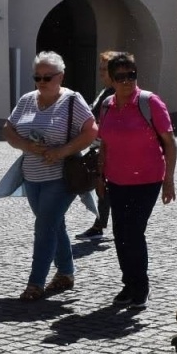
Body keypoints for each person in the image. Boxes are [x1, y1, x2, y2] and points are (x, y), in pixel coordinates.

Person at [3, 52, 98, 301]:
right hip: (32, 176)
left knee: (44, 227)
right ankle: (66, 272)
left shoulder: (71, 101)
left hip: (61, 177)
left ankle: (35, 283)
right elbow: (8, 129)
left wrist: (62, 151)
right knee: (55, 225)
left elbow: (91, 130)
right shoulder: (26, 100)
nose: (42, 82)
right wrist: (24, 144)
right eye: (38, 77)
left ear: (61, 76)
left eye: (48, 77)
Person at [94, 53, 177, 309]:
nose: (127, 81)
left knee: (133, 232)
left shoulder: (149, 102)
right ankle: (128, 283)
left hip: (148, 179)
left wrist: (169, 180)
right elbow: (103, 144)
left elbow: (170, 143)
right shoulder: (107, 105)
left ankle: (141, 286)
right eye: (120, 77)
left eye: (132, 75)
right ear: (111, 79)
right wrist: (99, 176)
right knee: (120, 232)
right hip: (116, 179)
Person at [78, 50, 121, 239]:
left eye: (105, 69)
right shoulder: (106, 91)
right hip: (99, 146)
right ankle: (101, 223)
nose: (101, 73)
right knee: (103, 187)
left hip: (107, 148)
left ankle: (100, 226)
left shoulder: (114, 93)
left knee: (104, 186)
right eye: (101, 68)